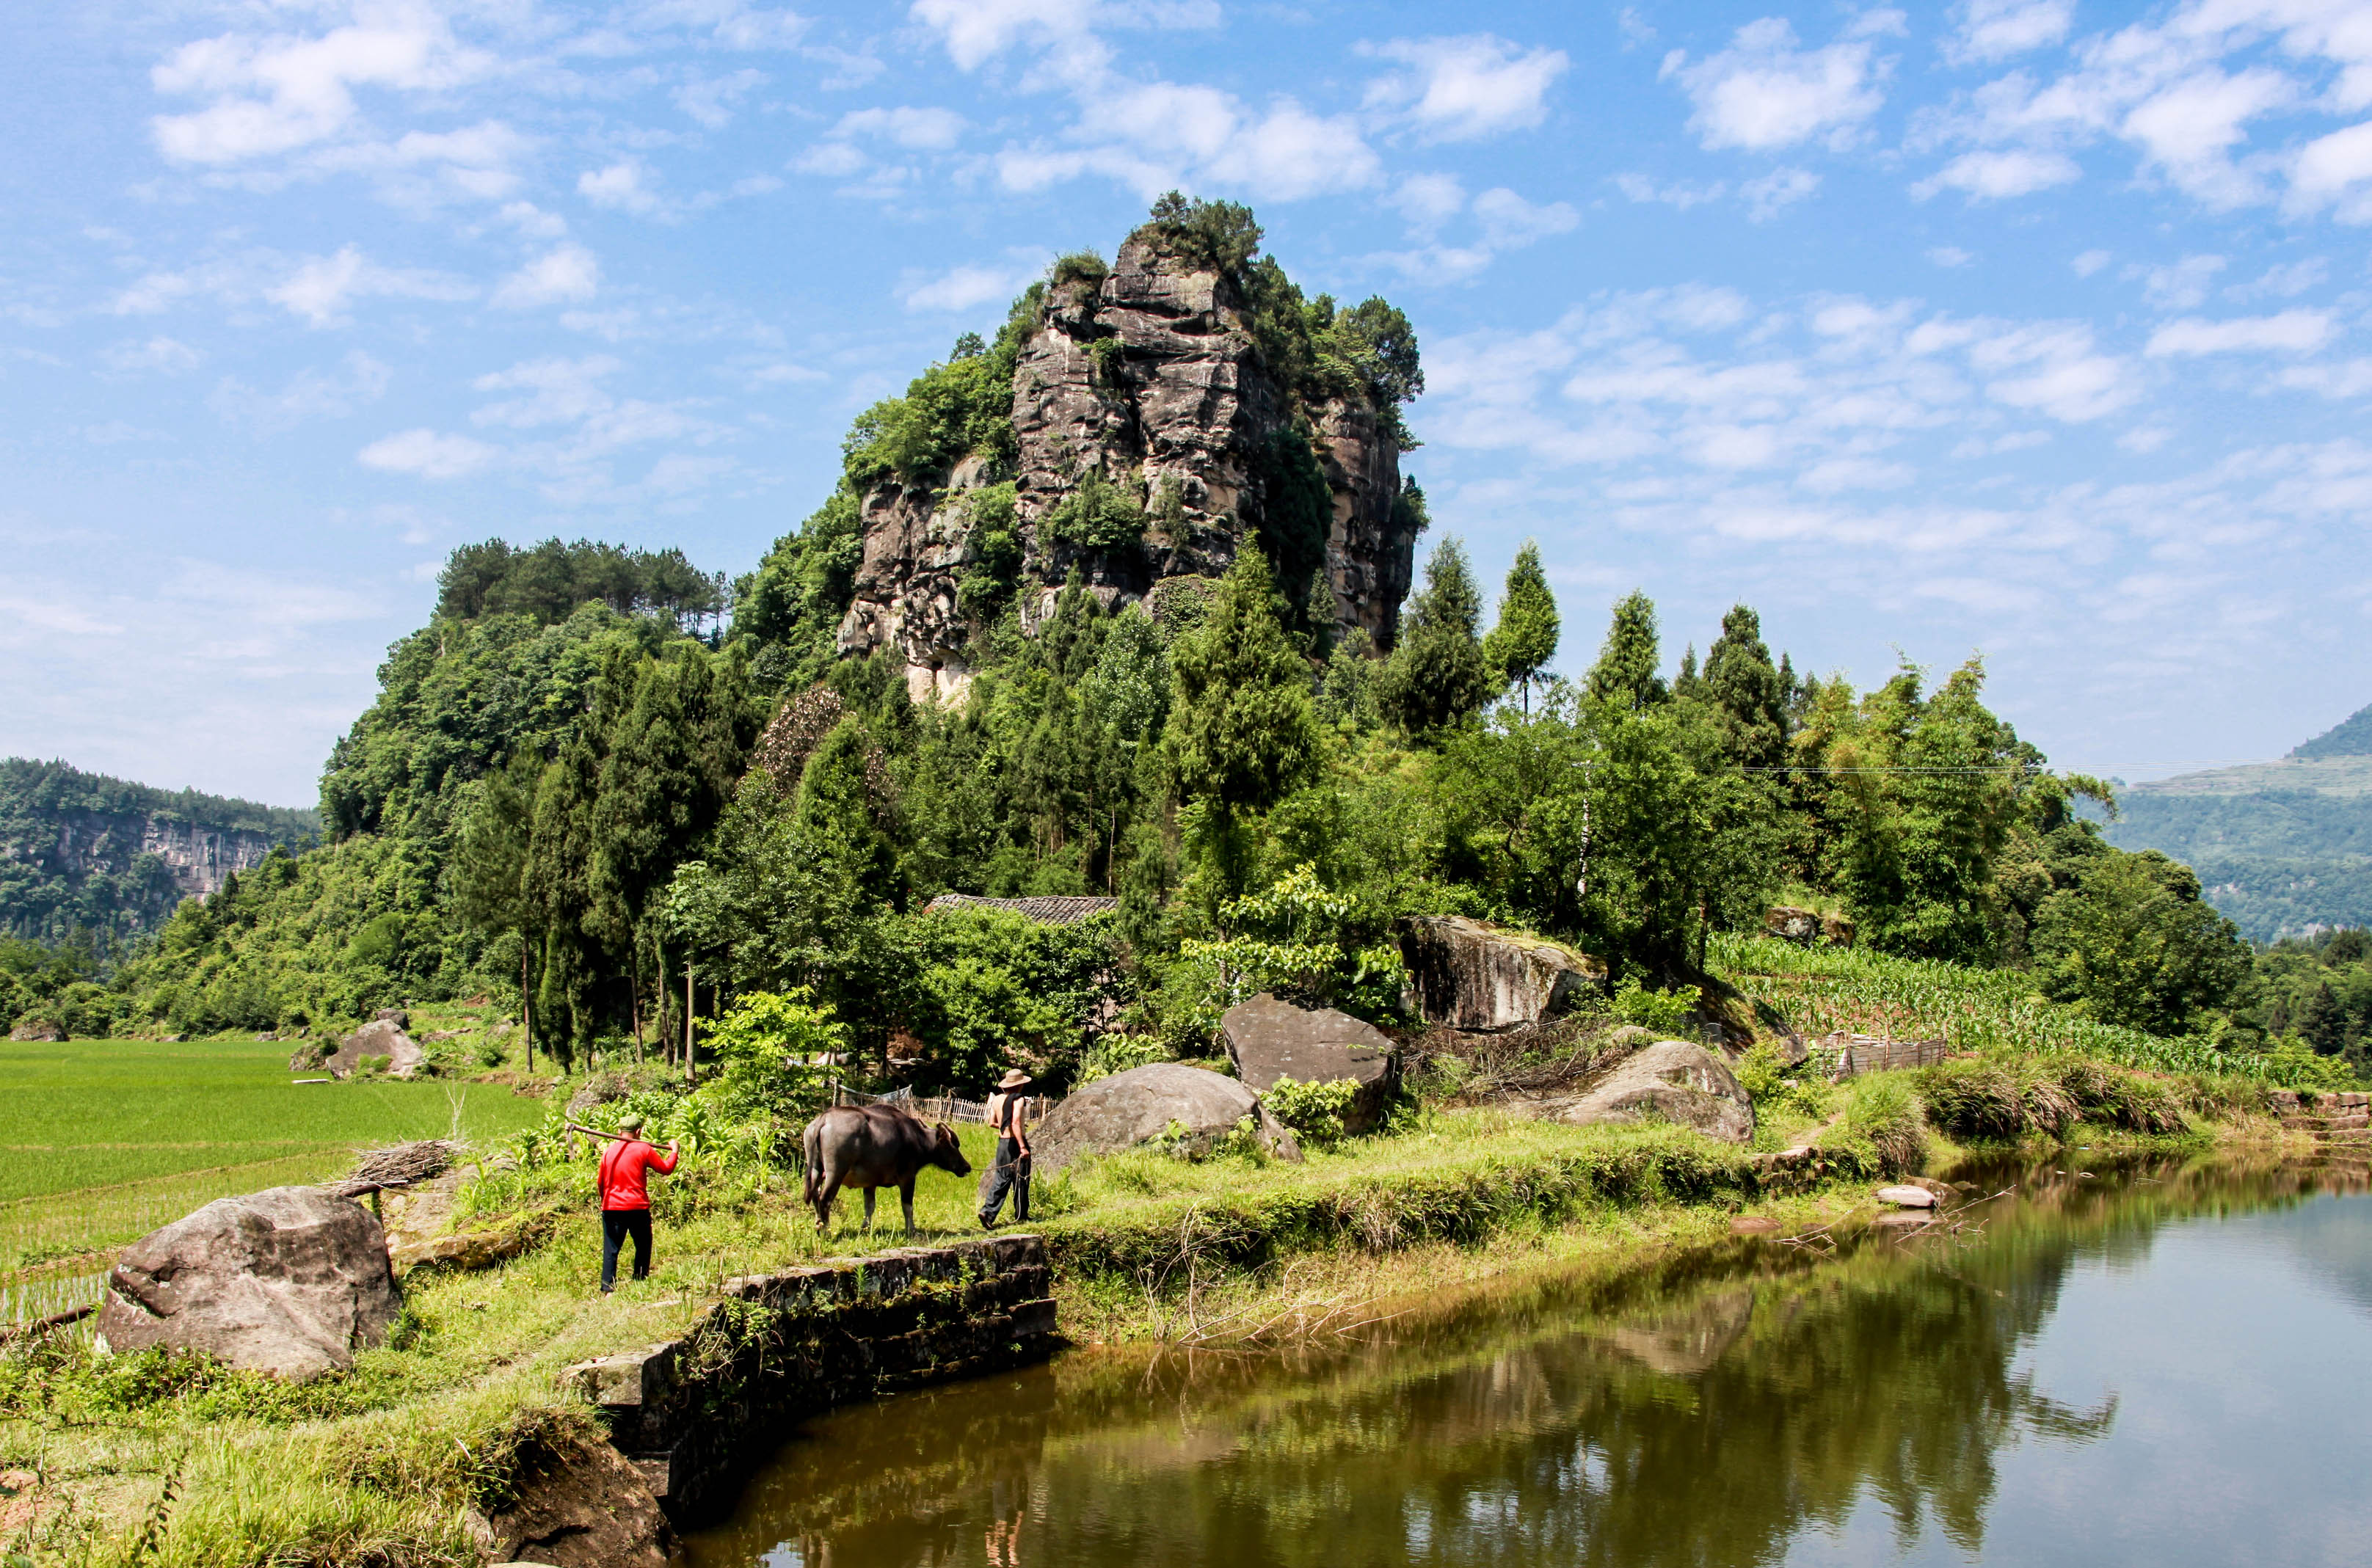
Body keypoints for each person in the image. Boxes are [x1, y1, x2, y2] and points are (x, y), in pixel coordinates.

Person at [597, 1113, 680, 1293]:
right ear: (639, 1131)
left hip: (612, 1207)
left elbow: (601, 1182)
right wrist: (674, 1151)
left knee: (611, 1248)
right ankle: (640, 1280)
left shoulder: (608, 1151)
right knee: (643, 1245)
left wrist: (607, 1201)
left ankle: (608, 1288)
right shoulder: (643, 1149)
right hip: (637, 1207)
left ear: (619, 1131)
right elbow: (666, 1169)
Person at [977, 1068, 1033, 1230]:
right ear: (1020, 1085)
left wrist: (1007, 1126)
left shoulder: (997, 1099)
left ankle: (987, 1212)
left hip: (1002, 1143)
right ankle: (1021, 1216)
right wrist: (1023, 1147)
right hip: (1015, 1143)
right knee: (1021, 1179)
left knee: (1001, 1178)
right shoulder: (1019, 1099)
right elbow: (1015, 1122)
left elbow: (992, 1122)